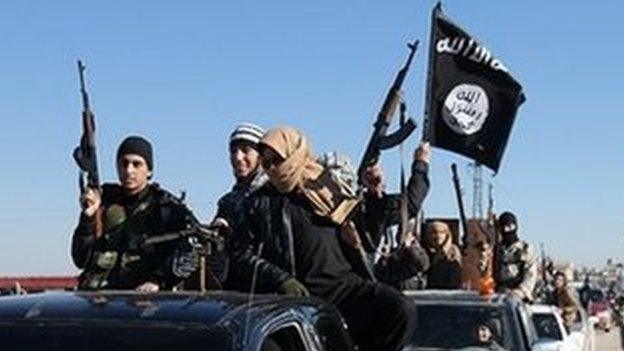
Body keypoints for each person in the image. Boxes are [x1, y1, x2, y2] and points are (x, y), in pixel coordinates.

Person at [230, 127, 416, 351]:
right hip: (297, 296)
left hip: (342, 288)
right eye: (266, 163)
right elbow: (240, 254)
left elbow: (367, 236)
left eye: (277, 159)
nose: (272, 168)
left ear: (294, 154)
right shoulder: (259, 202)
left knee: (400, 309)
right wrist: (282, 280)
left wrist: (375, 195)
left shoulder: (327, 187)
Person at [72, 136, 201, 292]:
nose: (129, 170)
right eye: (124, 163)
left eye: (136, 164)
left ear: (149, 170)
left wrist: (158, 280)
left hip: (141, 303)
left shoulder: (165, 207)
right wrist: (88, 218)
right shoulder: (103, 201)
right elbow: (80, 258)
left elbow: (191, 251)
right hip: (97, 300)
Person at [494, 211, 538, 301]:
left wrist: (521, 291)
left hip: (520, 296)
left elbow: (531, 273)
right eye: (503, 227)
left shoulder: (525, 248)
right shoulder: (498, 249)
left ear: (515, 227)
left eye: (509, 227)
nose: (506, 230)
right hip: (501, 294)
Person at [422, 221, 463, 289]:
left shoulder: (453, 250)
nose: (438, 236)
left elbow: (455, 276)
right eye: (433, 232)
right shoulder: (425, 251)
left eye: (441, 232)